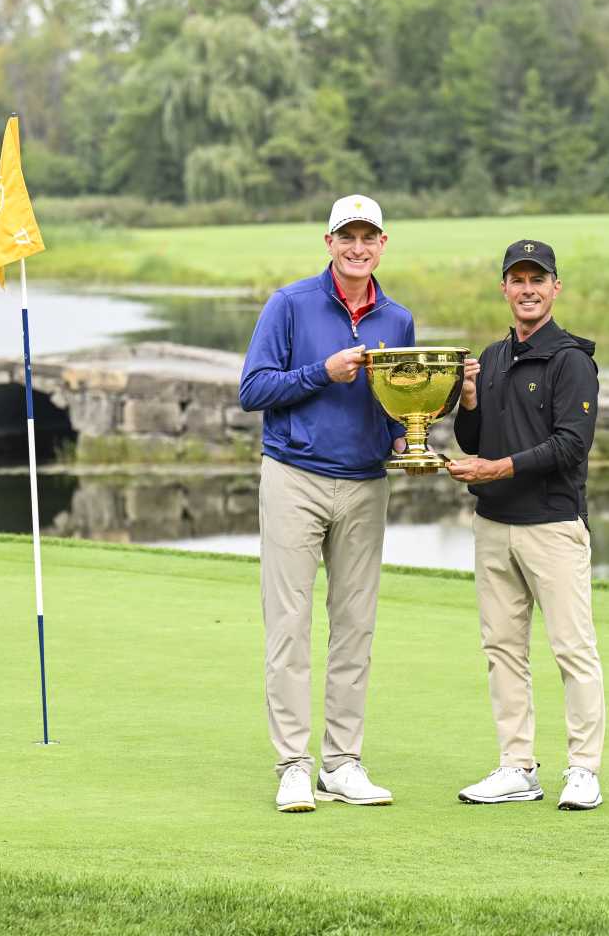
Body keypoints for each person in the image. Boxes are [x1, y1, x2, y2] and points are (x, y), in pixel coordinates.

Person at [238, 194, 415, 813]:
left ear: (383, 244)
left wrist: (404, 434)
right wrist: (322, 372)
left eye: (369, 237)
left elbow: (397, 402)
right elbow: (253, 389)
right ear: (329, 241)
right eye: (348, 236)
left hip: (366, 483)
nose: (358, 247)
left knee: (355, 628)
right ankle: (293, 764)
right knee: (288, 624)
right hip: (294, 476)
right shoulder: (289, 305)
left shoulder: (399, 320)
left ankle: (342, 763)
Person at [445, 239, 606, 810]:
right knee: (503, 651)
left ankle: (583, 769)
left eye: (539, 279)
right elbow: (474, 440)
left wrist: (497, 467)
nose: (528, 288)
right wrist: (468, 398)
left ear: (556, 287)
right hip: (493, 524)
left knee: (572, 650)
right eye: (518, 279)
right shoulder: (490, 358)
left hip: (552, 525)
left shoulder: (571, 361)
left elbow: (571, 445)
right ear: (505, 288)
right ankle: (517, 767)